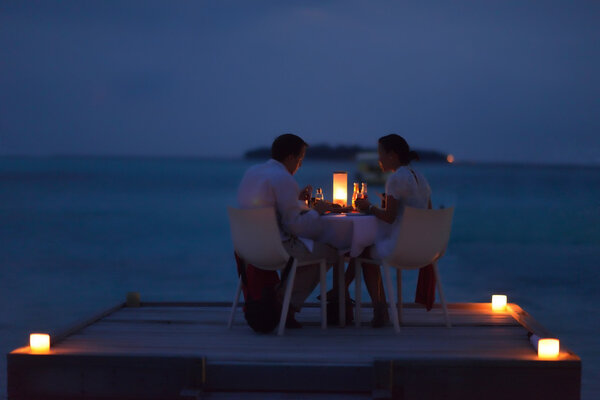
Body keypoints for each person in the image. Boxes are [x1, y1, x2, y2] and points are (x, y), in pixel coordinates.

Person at [237, 133, 340, 328]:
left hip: (247, 248)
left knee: (309, 253)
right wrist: (316, 212)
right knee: (330, 253)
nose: (300, 165)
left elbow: (269, 208)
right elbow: (296, 227)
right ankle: (285, 305)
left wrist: (297, 201)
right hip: (275, 249)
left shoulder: (253, 172)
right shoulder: (284, 178)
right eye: (300, 159)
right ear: (291, 157)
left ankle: (282, 305)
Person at [350, 134, 432, 327]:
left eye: (380, 154)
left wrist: (368, 207)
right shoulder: (420, 178)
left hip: (401, 247)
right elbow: (427, 213)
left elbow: (389, 217)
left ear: (393, 155)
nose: (378, 159)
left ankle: (381, 311)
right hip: (425, 248)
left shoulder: (396, 178)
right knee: (365, 248)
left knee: (362, 253)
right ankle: (341, 292)